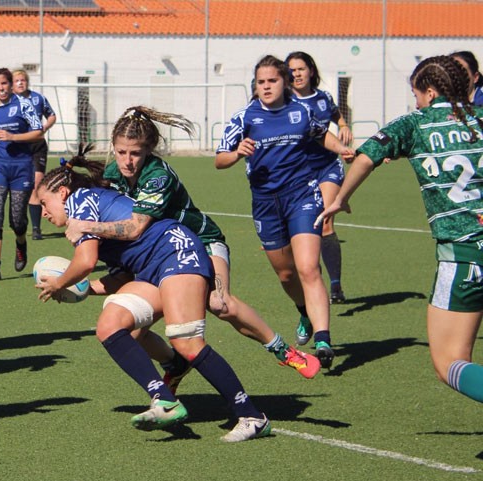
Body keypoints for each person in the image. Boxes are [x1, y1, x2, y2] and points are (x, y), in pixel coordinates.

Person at [65, 107, 320, 380]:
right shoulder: (115, 174)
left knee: (220, 303)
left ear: (149, 150)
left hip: (202, 241)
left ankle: (285, 351)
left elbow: (134, 227)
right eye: (121, 151)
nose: (127, 160)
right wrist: (80, 285)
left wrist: (86, 226)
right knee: (126, 330)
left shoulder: (157, 176)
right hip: (164, 255)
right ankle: (174, 364)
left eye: (135, 153)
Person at [36, 163, 271, 442]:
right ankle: (164, 399)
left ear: (62, 193)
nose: (43, 212)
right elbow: (120, 275)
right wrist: (85, 290)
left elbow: (85, 261)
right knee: (110, 326)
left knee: (186, 340)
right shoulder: (87, 207)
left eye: (44, 203)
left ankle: (252, 416)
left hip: (176, 253)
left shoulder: (79, 201)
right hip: (152, 269)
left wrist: (60, 282)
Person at [319, 55, 483, 405]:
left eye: (416, 94)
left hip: (464, 255)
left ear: (428, 90)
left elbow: (366, 157)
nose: (416, 101)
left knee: (449, 360)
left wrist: (340, 199)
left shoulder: (416, 123)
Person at [214, 55, 354, 369]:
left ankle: (323, 339)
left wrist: (343, 149)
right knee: (286, 273)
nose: (266, 87)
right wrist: (237, 153)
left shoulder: (301, 110)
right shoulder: (244, 117)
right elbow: (219, 160)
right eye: (261, 82)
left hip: (302, 195)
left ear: (284, 82)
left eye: (272, 81)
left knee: (307, 267)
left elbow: (321, 134)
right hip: (265, 204)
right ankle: (304, 311)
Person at [287, 51, 353, 305]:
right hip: (299, 171)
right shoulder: (285, 103)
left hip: (327, 167)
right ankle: (310, 278)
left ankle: (335, 285)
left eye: (301, 69)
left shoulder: (323, 98)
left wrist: (344, 125)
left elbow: (335, 115)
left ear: (311, 71)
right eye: (291, 70)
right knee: (300, 228)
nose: (297, 74)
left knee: (325, 221)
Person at [0, 68, 43, 281]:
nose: (1, 88)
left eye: (4, 83)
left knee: (17, 221)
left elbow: (38, 131)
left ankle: (21, 243)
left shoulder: (23, 104)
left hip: (21, 167)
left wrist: (14, 137)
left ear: (10, 84)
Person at [13, 69, 57, 240]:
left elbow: (51, 115)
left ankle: (36, 228)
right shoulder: (9, 101)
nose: (20, 83)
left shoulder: (38, 98)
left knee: (36, 184)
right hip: (18, 148)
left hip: (37, 146)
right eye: (17, 80)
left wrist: (45, 127)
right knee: (20, 186)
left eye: (23, 79)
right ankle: (19, 219)